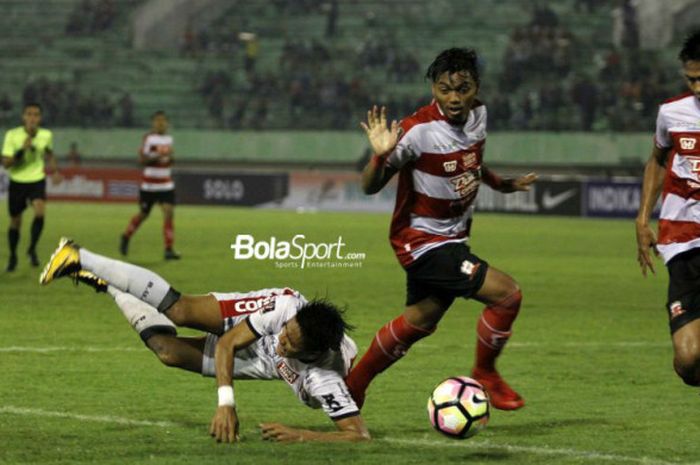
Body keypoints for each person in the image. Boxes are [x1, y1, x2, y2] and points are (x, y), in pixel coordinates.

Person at [345, 48, 537, 410]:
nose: (454, 98)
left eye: (462, 89)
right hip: (422, 242)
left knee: (420, 320)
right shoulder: (416, 131)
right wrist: (380, 155)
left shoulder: (479, 115)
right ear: (433, 88)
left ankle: (353, 384)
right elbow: (369, 186)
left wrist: (500, 184)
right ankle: (486, 374)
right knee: (507, 295)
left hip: (452, 238)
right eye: (445, 89)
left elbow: (472, 161)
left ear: (476, 87)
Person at [39, 238, 370, 443]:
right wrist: (226, 405)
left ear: (312, 353)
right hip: (258, 324)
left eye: (290, 343)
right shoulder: (284, 311)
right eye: (286, 331)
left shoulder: (324, 379)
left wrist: (300, 436)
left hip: (265, 362)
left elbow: (358, 436)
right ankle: (79, 255)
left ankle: (107, 284)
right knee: (180, 311)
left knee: (166, 352)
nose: (282, 338)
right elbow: (227, 342)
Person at [636, 31, 700, 386]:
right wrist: (642, 217)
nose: (698, 87)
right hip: (683, 238)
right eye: (692, 79)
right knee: (689, 361)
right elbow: (658, 160)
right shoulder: (672, 113)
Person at [1, 102, 62, 271]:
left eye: (36, 114)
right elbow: (6, 163)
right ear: (23, 117)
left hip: (37, 179)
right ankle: (13, 256)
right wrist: (22, 150)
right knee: (15, 222)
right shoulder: (12, 135)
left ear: (40, 118)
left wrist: (55, 171)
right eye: (29, 114)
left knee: (40, 212)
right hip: (17, 181)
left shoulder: (46, 135)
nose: (32, 118)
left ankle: (32, 249)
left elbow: (49, 154)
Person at [120, 111, 179, 260]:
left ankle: (168, 249)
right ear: (153, 123)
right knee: (143, 214)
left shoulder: (169, 139)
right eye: (157, 121)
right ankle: (126, 236)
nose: (160, 123)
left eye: (163, 121)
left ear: (167, 123)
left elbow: (169, 160)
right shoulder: (149, 139)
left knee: (169, 212)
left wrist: (170, 158)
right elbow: (142, 161)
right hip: (149, 185)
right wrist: (159, 156)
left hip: (166, 184)